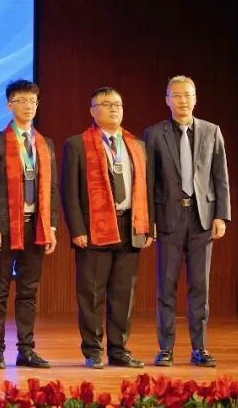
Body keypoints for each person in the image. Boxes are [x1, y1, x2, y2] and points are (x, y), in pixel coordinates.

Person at [62, 86, 155, 369]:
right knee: (91, 294)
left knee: (123, 294)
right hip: (94, 228)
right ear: (92, 111)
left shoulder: (136, 145)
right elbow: (69, 192)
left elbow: (147, 189)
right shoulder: (77, 144)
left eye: (117, 104)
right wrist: (77, 229)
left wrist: (148, 227)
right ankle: (93, 351)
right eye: (106, 104)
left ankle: (119, 350)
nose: (114, 109)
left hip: (130, 225)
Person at [144, 75, 230, 367]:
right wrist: (149, 221)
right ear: (167, 100)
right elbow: (149, 181)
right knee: (166, 287)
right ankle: (165, 349)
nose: (183, 100)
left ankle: (200, 348)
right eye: (176, 95)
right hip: (168, 218)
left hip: (201, 218)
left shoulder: (211, 131)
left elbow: (220, 177)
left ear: (195, 98)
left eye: (187, 95)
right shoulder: (154, 134)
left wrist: (221, 215)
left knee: (200, 286)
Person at [0, 79, 57, 369]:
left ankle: (26, 350)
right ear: (9, 105)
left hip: (36, 226)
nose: (28, 106)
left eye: (32, 101)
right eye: (22, 100)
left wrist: (52, 227)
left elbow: (52, 189)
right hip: (5, 226)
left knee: (28, 292)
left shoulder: (45, 144)